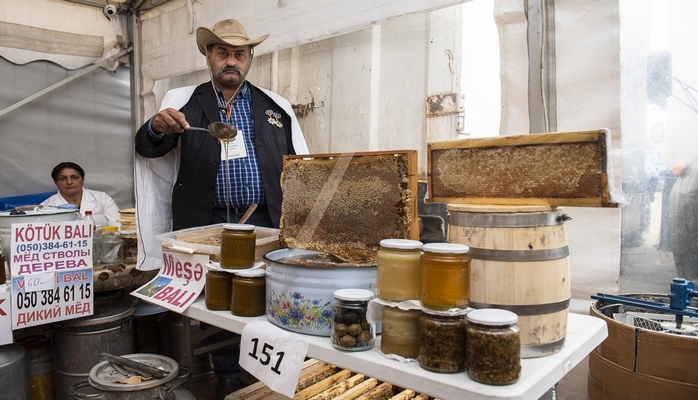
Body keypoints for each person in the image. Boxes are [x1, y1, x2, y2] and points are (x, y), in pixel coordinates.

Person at [134, 19, 308, 399]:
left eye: (239, 54)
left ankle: (268, 374)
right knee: (219, 303)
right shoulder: (182, 102)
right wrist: (156, 127)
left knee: (269, 297)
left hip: (264, 220)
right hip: (207, 223)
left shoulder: (273, 106)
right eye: (222, 53)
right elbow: (149, 149)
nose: (231, 61)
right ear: (209, 57)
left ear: (249, 59)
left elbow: (300, 166)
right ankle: (228, 372)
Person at [41, 161, 120, 227]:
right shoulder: (45, 207)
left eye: (74, 177)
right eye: (63, 179)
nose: (69, 182)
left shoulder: (102, 198)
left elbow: (118, 226)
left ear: (83, 179)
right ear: (56, 182)